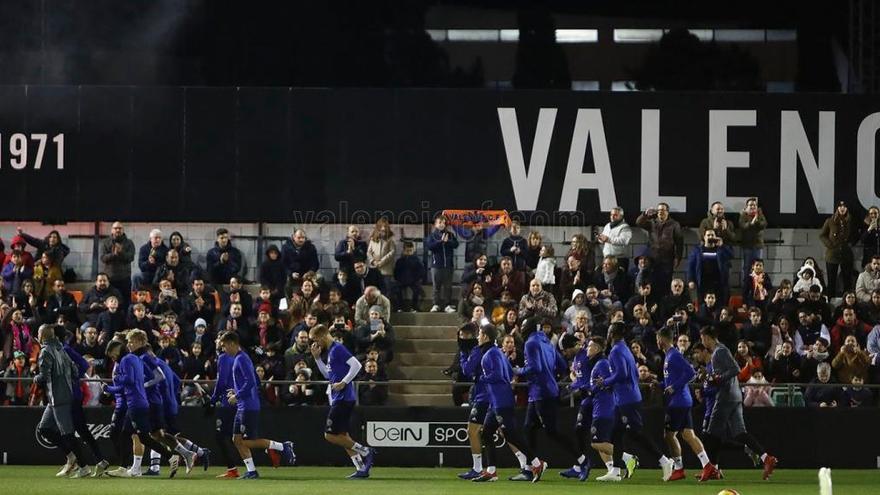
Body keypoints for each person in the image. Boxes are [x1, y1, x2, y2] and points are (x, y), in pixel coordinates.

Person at [595, 322, 674, 481]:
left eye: (610, 329)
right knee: (616, 434)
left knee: (635, 433)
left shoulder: (616, 351)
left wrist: (606, 382)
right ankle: (616, 471)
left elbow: (622, 373)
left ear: (612, 333)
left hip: (627, 399)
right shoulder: (624, 349)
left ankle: (664, 461)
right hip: (625, 398)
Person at [698, 326, 778, 482]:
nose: (702, 342)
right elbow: (723, 373)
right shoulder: (720, 351)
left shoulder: (719, 351)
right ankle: (766, 457)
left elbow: (735, 369)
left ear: (708, 337)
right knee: (739, 433)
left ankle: (712, 469)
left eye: (702, 338)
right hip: (735, 397)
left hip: (725, 397)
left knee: (709, 435)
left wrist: (718, 379)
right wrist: (710, 377)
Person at [473, 323, 547, 483]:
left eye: (479, 334)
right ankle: (491, 472)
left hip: (501, 401)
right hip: (497, 401)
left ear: (485, 336)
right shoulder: (497, 353)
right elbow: (508, 371)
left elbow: (498, 375)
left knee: (511, 435)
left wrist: (482, 378)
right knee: (486, 433)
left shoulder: (490, 354)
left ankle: (536, 463)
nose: (477, 337)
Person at [456, 323, 528, 481]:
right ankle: (525, 465)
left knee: (473, 430)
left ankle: (478, 468)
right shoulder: (496, 351)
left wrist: (463, 354)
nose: (462, 338)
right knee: (502, 432)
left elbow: (467, 370)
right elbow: (509, 373)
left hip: (485, 396)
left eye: (463, 335)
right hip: (495, 396)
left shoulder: (480, 351)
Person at [104, 330, 181, 478]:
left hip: (135, 404)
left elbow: (129, 381)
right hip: (141, 402)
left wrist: (117, 379)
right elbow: (151, 376)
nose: (113, 358)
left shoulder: (126, 360)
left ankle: (171, 457)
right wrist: (110, 388)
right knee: (126, 435)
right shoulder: (137, 359)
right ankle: (125, 467)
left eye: (112, 354)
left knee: (144, 437)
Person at [220, 332, 295, 479]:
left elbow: (251, 382)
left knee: (248, 441)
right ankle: (251, 471)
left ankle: (283, 447)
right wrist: (236, 391)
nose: (223, 349)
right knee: (236, 439)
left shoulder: (241, 359)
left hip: (247, 406)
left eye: (224, 346)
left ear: (232, 344)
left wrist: (238, 395)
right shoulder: (240, 358)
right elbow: (251, 381)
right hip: (244, 404)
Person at [309, 324, 376, 479]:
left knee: (330, 435)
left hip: (343, 398)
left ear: (323, 336)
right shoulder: (331, 352)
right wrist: (317, 358)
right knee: (343, 436)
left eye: (315, 340)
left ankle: (366, 451)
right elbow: (328, 374)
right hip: (340, 398)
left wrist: (344, 382)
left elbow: (357, 365)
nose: (315, 343)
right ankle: (361, 469)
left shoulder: (338, 349)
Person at [513, 319, 579, 473]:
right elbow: (562, 365)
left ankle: (582, 459)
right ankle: (530, 468)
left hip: (541, 391)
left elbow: (534, 368)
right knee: (529, 428)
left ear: (525, 328)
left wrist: (517, 371)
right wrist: (550, 375)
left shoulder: (530, 343)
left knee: (551, 431)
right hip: (546, 390)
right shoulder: (547, 342)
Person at [34, 324, 91, 478]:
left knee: (67, 433)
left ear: (42, 336)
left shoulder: (45, 351)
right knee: (44, 428)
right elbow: (74, 370)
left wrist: (35, 377)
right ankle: (71, 456)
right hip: (61, 396)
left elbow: (43, 377)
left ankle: (84, 466)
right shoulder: (61, 349)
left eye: (38, 333)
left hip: (58, 398)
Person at [655, 327, 712, 481]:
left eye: (657, 338)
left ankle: (679, 469)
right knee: (688, 434)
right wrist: (660, 384)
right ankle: (707, 465)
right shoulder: (669, 356)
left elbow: (691, 373)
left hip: (678, 402)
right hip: (682, 400)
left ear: (662, 339)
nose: (657, 342)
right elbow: (671, 380)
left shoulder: (673, 355)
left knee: (669, 435)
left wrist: (675, 387)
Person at [209, 332, 241, 478]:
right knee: (236, 436)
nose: (219, 343)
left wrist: (213, 399)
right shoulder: (239, 356)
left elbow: (221, 381)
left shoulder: (223, 357)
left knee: (221, 436)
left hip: (228, 401)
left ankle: (233, 469)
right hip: (239, 399)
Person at [635, 203, 684, 297]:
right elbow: (638, 223)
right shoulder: (651, 222)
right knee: (652, 282)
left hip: (667, 259)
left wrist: (678, 257)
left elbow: (679, 242)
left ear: (667, 212)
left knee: (666, 283)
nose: (660, 212)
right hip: (653, 259)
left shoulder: (674, 224)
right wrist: (645, 214)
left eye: (663, 210)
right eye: (659, 210)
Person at [686, 229, 733, 307]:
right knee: (703, 304)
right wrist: (691, 280)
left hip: (719, 282)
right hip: (703, 282)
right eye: (708, 235)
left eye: (712, 235)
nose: (710, 237)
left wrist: (722, 246)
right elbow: (691, 265)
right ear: (704, 237)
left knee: (720, 304)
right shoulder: (697, 250)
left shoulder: (720, 249)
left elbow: (731, 256)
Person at [819, 201, 856, 297]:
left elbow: (856, 234)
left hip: (846, 254)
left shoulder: (851, 221)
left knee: (847, 281)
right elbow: (822, 235)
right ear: (837, 208)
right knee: (831, 281)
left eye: (844, 206)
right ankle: (831, 300)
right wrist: (830, 245)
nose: (842, 208)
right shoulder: (830, 221)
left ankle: (847, 301)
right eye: (840, 206)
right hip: (832, 255)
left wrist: (851, 243)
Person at [425, 215, 459, 313]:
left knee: (448, 286)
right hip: (436, 266)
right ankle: (436, 304)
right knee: (436, 287)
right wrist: (440, 242)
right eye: (440, 222)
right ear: (435, 224)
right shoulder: (432, 236)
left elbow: (456, 244)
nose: (442, 224)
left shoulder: (450, 234)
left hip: (448, 265)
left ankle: (447, 305)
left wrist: (447, 241)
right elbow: (430, 246)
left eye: (444, 223)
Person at [100, 222, 136, 310]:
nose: (117, 230)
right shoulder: (105, 242)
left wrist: (121, 253)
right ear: (112, 230)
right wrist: (114, 254)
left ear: (123, 230)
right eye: (115, 228)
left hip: (125, 278)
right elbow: (103, 258)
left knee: (125, 302)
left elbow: (131, 258)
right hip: (110, 278)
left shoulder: (129, 243)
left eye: (120, 228)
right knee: (111, 302)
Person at [739, 197, 768, 287]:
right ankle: (746, 287)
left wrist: (757, 220)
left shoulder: (760, 215)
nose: (753, 207)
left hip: (758, 246)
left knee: (758, 268)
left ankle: (758, 287)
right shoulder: (743, 216)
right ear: (746, 206)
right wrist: (751, 223)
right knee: (747, 268)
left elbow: (764, 225)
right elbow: (743, 226)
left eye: (754, 205)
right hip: (747, 246)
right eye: (750, 205)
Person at [367, 218, 397, 296]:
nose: (383, 228)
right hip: (374, 268)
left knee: (386, 289)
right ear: (378, 227)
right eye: (381, 226)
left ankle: (386, 306)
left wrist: (381, 262)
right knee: (375, 289)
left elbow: (392, 252)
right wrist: (373, 261)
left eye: (385, 226)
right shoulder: (373, 239)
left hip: (386, 269)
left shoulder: (390, 239)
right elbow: (369, 252)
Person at [393, 241, 425, 313]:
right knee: (396, 290)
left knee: (417, 290)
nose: (409, 252)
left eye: (410, 250)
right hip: (402, 280)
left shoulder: (417, 260)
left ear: (413, 250)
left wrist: (416, 279)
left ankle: (414, 307)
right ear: (404, 250)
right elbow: (396, 272)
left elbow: (421, 271)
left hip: (413, 281)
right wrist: (399, 279)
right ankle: (400, 307)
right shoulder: (400, 261)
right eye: (407, 250)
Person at [598, 207, 632, 271]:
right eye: (611, 215)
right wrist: (600, 239)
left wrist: (608, 239)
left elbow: (624, 240)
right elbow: (604, 239)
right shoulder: (607, 226)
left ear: (621, 216)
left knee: (619, 279)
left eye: (615, 215)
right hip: (607, 258)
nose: (612, 217)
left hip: (619, 259)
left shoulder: (625, 227)